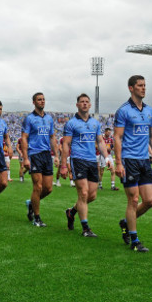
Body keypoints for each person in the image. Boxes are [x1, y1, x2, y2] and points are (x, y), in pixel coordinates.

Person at [115, 75, 152, 252]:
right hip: (129, 160)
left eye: (145, 85)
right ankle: (135, 240)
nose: (143, 88)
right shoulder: (123, 111)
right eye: (140, 85)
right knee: (134, 200)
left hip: (144, 160)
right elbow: (118, 137)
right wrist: (118, 162)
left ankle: (126, 222)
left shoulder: (150, 111)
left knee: (150, 200)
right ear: (131, 88)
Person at [61, 94, 112, 238]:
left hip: (92, 161)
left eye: (86, 102)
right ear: (77, 105)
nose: (84, 104)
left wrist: (107, 157)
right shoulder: (71, 123)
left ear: (90, 105)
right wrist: (64, 165)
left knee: (92, 195)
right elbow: (66, 144)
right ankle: (85, 228)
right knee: (83, 193)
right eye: (81, 102)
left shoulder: (95, 123)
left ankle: (71, 212)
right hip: (78, 159)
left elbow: (100, 142)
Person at [21, 92, 59, 227]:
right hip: (34, 154)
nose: (42, 101)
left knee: (48, 188)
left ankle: (32, 203)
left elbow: (52, 138)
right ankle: (36, 218)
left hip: (46, 155)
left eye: (43, 99)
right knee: (38, 186)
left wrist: (56, 156)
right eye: (39, 100)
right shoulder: (29, 118)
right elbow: (24, 138)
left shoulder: (49, 119)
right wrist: (25, 157)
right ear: (34, 102)